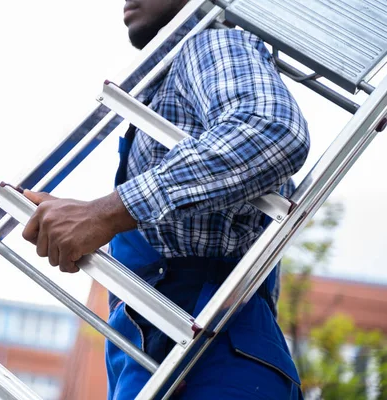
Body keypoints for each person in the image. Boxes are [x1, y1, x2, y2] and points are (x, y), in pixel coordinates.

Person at [21, 0, 310, 398]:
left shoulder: (211, 43)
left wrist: (104, 214)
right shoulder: (165, 90)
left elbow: (271, 131)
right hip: (166, 349)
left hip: (208, 360)